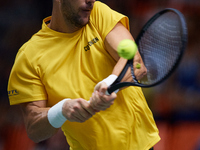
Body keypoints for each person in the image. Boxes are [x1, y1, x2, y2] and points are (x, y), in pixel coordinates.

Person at [7, 0, 160, 149]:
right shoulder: (29, 56)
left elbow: (136, 63)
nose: (90, 1)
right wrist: (62, 110)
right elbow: (34, 128)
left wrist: (110, 84)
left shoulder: (98, 14)